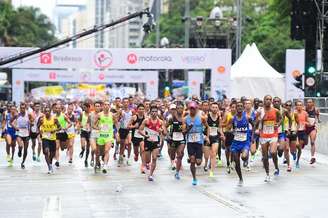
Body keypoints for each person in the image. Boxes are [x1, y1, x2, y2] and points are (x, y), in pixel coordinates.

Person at [256, 95, 281, 182]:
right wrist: (258, 126)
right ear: (263, 100)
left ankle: (276, 167)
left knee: (273, 152)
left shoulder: (276, 110)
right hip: (263, 135)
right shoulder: (260, 111)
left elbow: (280, 118)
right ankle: (267, 174)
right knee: (265, 157)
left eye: (270, 99)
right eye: (267, 99)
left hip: (273, 134)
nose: (269, 101)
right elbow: (256, 122)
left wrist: (278, 124)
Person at [139, 105, 166, 181]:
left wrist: (162, 131)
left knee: (154, 158)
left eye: (155, 111)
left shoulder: (160, 122)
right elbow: (140, 130)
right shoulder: (146, 121)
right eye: (152, 111)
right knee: (148, 160)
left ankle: (150, 175)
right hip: (147, 142)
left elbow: (165, 133)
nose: (154, 113)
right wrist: (145, 135)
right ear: (150, 112)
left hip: (156, 143)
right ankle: (146, 165)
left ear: (157, 112)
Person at [183, 101, 208, 186]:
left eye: (194, 108)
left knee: (198, 162)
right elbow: (183, 132)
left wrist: (207, 137)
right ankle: (194, 178)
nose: (192, 110)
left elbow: (207, 127)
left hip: (199, 142)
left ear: (196, 109)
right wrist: (188, 128)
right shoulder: (185, 119)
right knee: (193, 161)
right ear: (189, 109)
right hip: (190, 142)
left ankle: (195, 159)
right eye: (191, 109)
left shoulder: (201, 118)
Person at [231, 102, 251, 185]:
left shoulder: (247, 117)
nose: (239, 107)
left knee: (243, 157)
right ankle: (240, 178)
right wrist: (232, 131)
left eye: (241, 106)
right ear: (235, 108)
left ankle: (246, 159)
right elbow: (232, 129)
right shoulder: (233, 119)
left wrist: (252, 137)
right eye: (237, 106)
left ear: (243, 108)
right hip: (235, 143)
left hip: (245, 142)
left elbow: (254, 125)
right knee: (236, 161)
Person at [94, 101, 117, 174]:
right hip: (101, 135)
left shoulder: (112, 115)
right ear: (103, 106)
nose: (106, 106)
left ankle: (105, 165)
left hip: (109, 135)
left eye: (108, 105)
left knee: (107, 150)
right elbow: (93, 125)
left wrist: (117, 133)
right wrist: (98, 128)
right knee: (100, 152)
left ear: (109, 106)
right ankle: (99, 162)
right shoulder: (99, 115)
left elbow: (116, 124)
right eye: (105, 105)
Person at [166, 102, 186, 180]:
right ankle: (172, 160)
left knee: (180, 155)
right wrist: (167, 134)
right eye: (178, 108)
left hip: (182, 139)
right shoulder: (172, 118)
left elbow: (186, 129)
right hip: (173, 139)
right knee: (173, 155)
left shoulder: (185, 119)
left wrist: (187, 129)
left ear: (183, 109)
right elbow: (165, 126)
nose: (180, 110)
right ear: (176, 109)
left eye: (181, 108)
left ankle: (177, 172)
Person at [204, 102, 224, 177]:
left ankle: (211, 171)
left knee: (213, 153)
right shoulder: (206, 117)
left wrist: (222, 135)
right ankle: (206, 163)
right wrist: (205, 137)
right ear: (210, 108)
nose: (215, 109)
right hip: (207, 137)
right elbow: (203, 127)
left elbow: (219, 128)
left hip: (215, 137)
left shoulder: (219, 117)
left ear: (218, 108)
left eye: (216, 107)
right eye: (213, 107)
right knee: (206, 155)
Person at [39, 106, 61, 174]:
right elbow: (38, 126)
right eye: (46, 111)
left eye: (48, 111)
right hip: (45, 137)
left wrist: (55, 130)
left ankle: (50, 163)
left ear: (50, 112)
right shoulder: (42, 119)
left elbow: (60, 127)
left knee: (52, 154)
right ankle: (49, 167)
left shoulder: (54, 119)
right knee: (46, 151)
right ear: (44, 112)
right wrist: (40, 132)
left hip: (52, 138)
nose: (47, 112)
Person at [12, 102, 33, 169]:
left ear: (25, 108)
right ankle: (20, 150)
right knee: (21, 145)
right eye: (21, 108)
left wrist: (31, 123)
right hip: (19, 132)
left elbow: (32, 122)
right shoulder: (17, 115)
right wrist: (15, 127)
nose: (22, 109)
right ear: (20, 108)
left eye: (23, 108)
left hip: (26, 133)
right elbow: (11, 122)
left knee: (26, 149)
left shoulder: (28, 114)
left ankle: (23, 162)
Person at [128, 103, 146, 173]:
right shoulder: (134, 117)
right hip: (135, 136)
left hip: (142, 136)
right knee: (136, 151)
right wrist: (134, 126)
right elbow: (128, 126)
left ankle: (143, 165)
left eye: (142, 109)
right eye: (140, 109)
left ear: (144, 110)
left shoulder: (146, 117)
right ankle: (136, 155)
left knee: (143, 149)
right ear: (137, 110)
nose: (141, 110)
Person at [117, 98, 133, 166]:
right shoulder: (121, 111)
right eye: (124, 102)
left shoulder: (132, 111)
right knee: (122, 144)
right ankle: (120, 157)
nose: (126, 103)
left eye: (127, 102)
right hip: (122, 129)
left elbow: (134, 118)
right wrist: (120, 117)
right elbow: (117, 119)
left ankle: (128, 159)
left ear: (129, 103)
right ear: (122, 103)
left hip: (129, 129)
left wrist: (132, 125)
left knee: (129, 143)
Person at [305, 99, 320, 164]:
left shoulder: (316, 109)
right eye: (307, 102)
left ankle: (313, 157)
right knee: (304, 143)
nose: (308, 103)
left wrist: (318, 120)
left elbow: (317, 116)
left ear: (313, 103)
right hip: (305, 128)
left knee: (312, 142)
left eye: (310, 102)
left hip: (312, 128)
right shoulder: (304, 109)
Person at [294, 100, 309, 168]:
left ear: (302, 106)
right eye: (298, 105)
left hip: (303, 131)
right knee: (296, 145)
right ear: (296, 106)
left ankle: (297, 161)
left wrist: (305, 123)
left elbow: (308, 122)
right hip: (295, 131)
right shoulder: (293, 113)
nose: (299, 106)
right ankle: (293, 152)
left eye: (300, 105)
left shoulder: (305, 113)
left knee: (300, 148)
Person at [79, 102, 91, 167]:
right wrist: (80, 124)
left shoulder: (91, 114)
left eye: (85, 107)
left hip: (89, 132)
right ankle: (82, 150)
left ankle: (86, 160)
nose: (84, 108)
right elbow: (79, 120)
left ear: (88, 107)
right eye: (83, 107)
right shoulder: (82, 113)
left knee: (88, 148)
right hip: (83, 131)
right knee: (83, 146)